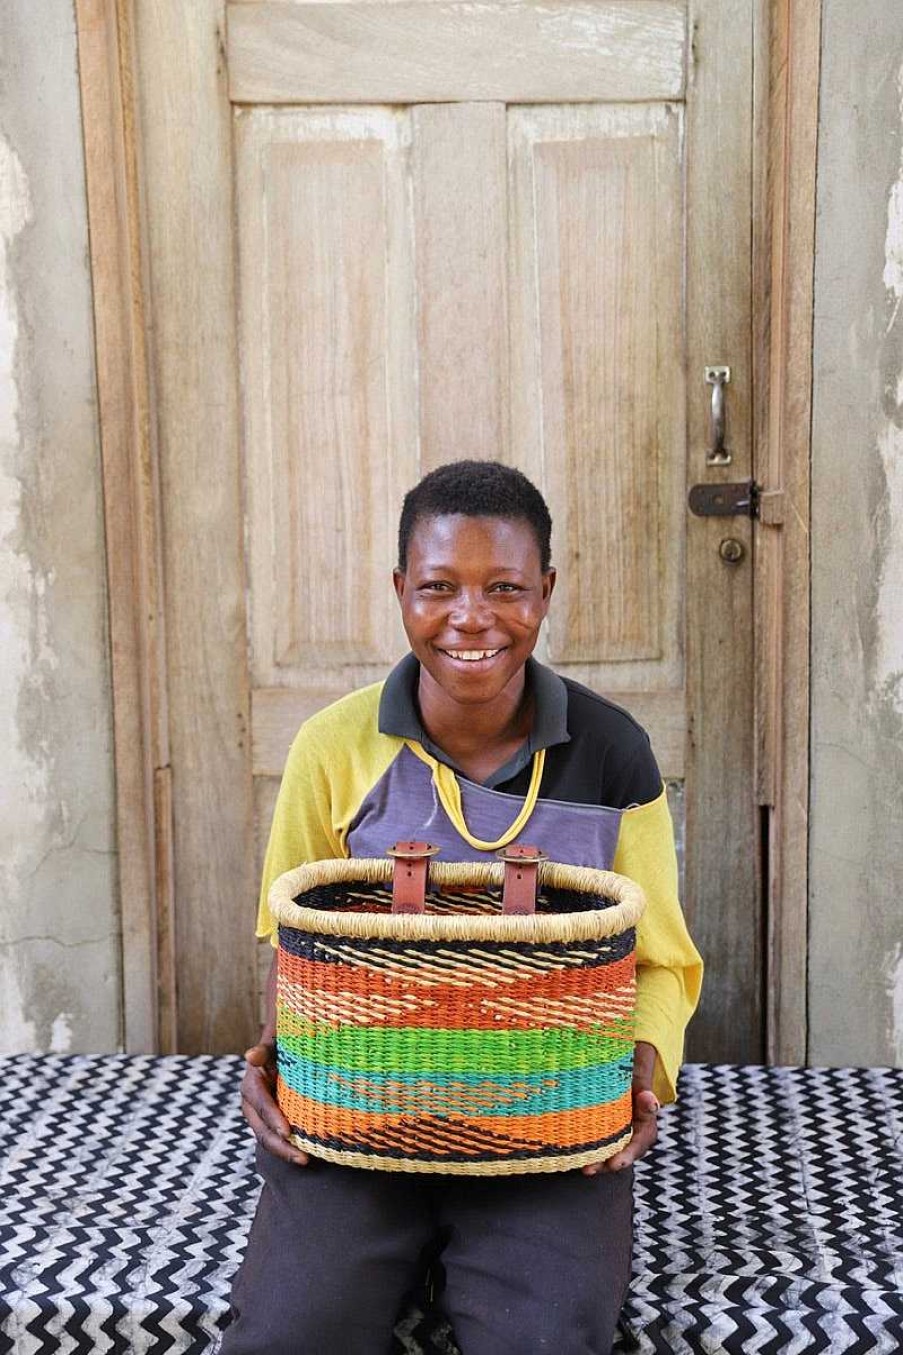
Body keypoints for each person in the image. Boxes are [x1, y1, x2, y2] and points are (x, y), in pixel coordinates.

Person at [222, 460, 703, 1355]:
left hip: (549, 1120)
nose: (471, 617)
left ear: (547, 591)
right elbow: (291, 944)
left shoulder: (613, 753)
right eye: (437, 586)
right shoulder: (333, 745)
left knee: (545, 1334)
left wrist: (639, 1071)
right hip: (360, 1115)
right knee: (295, 1327)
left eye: (506, 588)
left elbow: (660, 958)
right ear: (400, 590)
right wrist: (281, 1058)